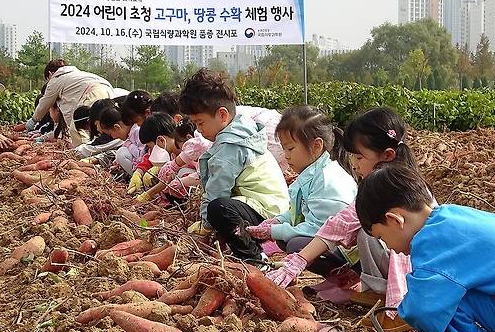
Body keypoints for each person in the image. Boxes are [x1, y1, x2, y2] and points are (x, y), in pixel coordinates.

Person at [265, 107, 419, 332]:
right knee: (367, 230)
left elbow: (345, 224)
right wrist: (297, 260)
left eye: (359, 157)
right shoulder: (381, 183)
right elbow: (340, 224)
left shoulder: (389, 188)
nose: (354, 164)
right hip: (406, 262)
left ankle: (396, 306)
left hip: (415, 267)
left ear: (387, 156)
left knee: (371, 230)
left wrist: (397, 309)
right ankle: (380, 292)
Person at [356, 164, 495, 332]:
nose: (388, 247)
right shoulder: (453, 215)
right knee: (483, 281)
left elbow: (425, 310)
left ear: (395, 220)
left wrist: (405, 310)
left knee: (444, 301)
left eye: (381, 238)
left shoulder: (429, 242)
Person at [180, 68, 289, 267]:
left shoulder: (230, 146)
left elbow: (217, 190)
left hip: (267, 210)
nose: (198, 130)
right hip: (268, 206)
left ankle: (255, 259)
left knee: (218, 208)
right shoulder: (240, 131)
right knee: (219, 209)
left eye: (200, 122)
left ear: (222, 115)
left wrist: (205, 225)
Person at [244, 106, 357, 270]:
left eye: (290, 148)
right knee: (286, 239)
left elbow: (320, 228)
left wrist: (275, 230)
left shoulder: (327, 180)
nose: (286, 155)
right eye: (283, 148)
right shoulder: (312, 173)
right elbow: (299, 213)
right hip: (329, 239)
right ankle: (337, 279)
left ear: (316, 146)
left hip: (346, 247)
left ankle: (345, 275)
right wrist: (278, 221)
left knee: (296, 244)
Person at [26, 59, 114, 147]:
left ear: (50, 73)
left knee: (78, 127)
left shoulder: (56, 79)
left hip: (93, 93)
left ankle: (81, 155)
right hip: (108, 91)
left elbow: (44, 103)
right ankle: (98, 150)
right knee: (101, 126)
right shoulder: (75, 75)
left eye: (47, 79)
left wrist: (34, 120)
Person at [135, 117, 210, 203]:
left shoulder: (192, 147)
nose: (151, 151)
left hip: (202, 191)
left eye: (151, 147)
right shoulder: (174, 152)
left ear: (160, 140)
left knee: (182, 172)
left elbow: (169, 174)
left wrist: (147, 195)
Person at [72, 98, 125, 163]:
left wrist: (72, 153)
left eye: (96, 124)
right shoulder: (115, 132)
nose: (97, 129)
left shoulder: (117, 135)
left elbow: (95, 148)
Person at [98, 106, 146, 176]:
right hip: (141, 166)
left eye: (111, 134)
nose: (113, 137)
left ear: (117, 127)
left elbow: (142, 154)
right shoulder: (130, 134)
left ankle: (139, 179)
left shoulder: (137, 131)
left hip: (146, 168)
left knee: (121, 153)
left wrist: (129, 144)